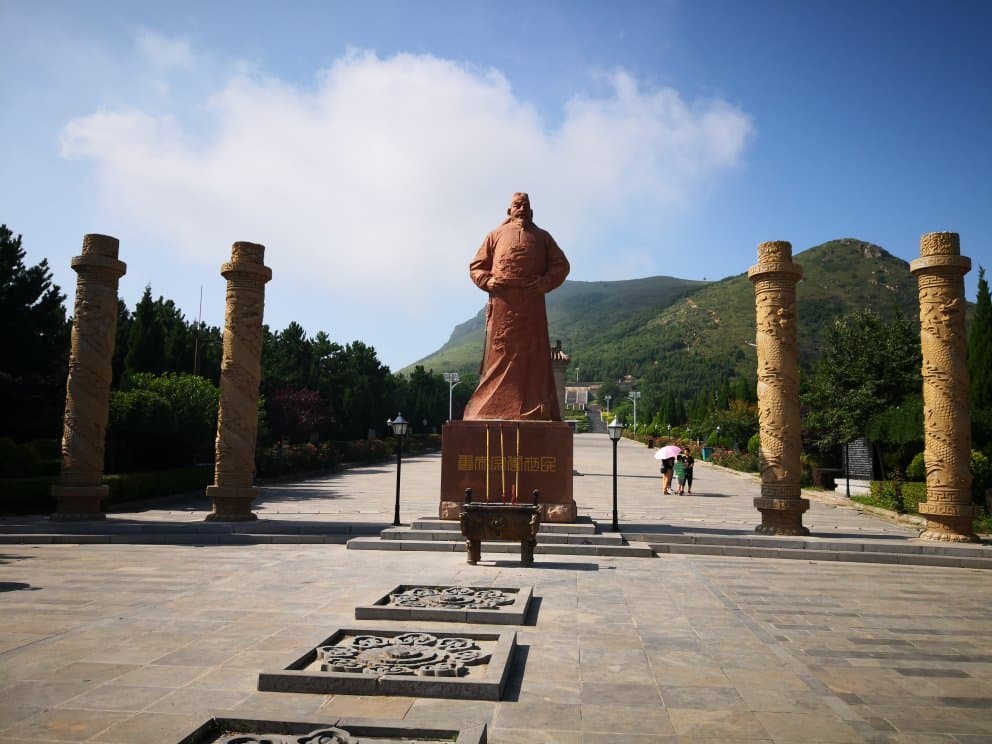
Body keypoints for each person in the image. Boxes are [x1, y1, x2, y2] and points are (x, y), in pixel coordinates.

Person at [463, 192, 571, 420]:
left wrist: (545, 282)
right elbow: (476, 266)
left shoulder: (543, 237)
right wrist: (488, 280)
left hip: (532, 304)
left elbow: (561, 266)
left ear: (531, 211)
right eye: (517, 205)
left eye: (525, 205)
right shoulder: (494, 235)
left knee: (531, 355)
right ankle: (488, 407)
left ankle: (532, 407)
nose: (521, 208)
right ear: (509, 211)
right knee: (500, 354)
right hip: (502, 302)